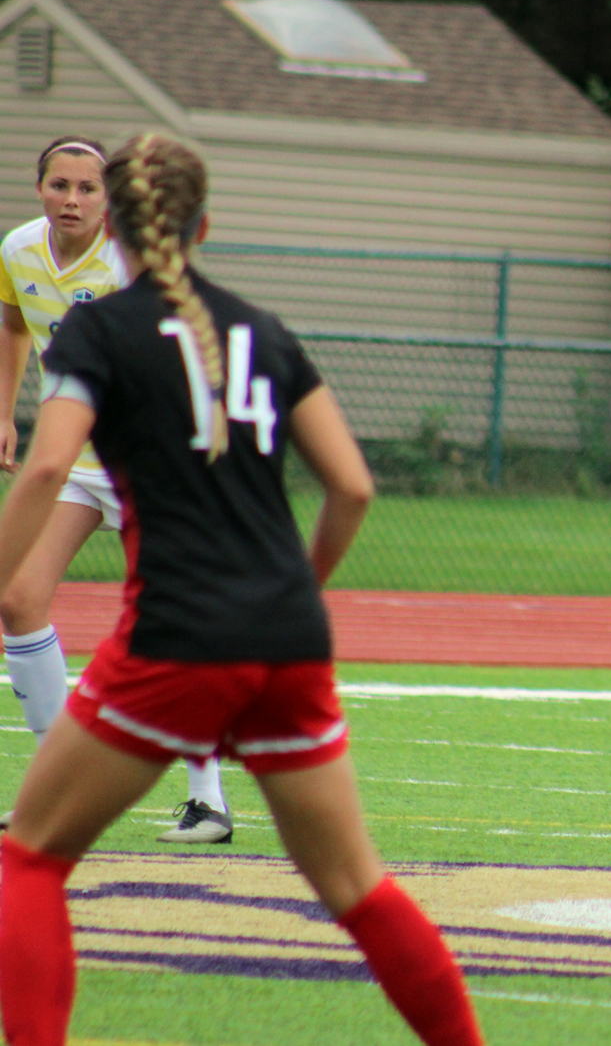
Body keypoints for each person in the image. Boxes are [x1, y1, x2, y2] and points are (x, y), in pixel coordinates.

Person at [0, 134, 484, 1045]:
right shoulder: (262, 328)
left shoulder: (98, 327)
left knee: (28, 858)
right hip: (289, 637)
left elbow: (48, 464)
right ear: (205, 225)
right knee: (357, 887)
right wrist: (297, 588)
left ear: (120, 232)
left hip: (179, 637)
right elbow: (353, 486)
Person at [0, 135, 233, 844]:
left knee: (170, 617)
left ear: (112, 200)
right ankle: (53, 790)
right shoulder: (16, 249)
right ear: (39, 188)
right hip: (73, 459)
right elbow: (12, 324)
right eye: (59, 184)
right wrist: (4, 410)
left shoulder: (133, 265)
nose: (71, 198)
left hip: (148, 463)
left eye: (87, 188)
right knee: (16, 598)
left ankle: (208, 800)